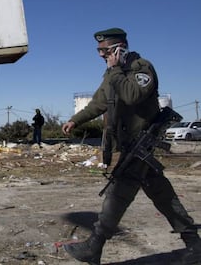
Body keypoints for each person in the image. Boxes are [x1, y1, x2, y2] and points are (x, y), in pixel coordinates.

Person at [61, 28, 201, 265]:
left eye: (105, 50)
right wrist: (76, 120)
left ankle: (94, 246)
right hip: (128, 146)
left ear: (119, 48)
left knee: (117, 196)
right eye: (99, 50)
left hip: (140, 145)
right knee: (162, 195)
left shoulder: (141, 68)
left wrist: (115, 70)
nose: (101, 55)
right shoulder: (112, 74)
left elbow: (131, 95)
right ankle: (195, 244)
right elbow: (99, 103)